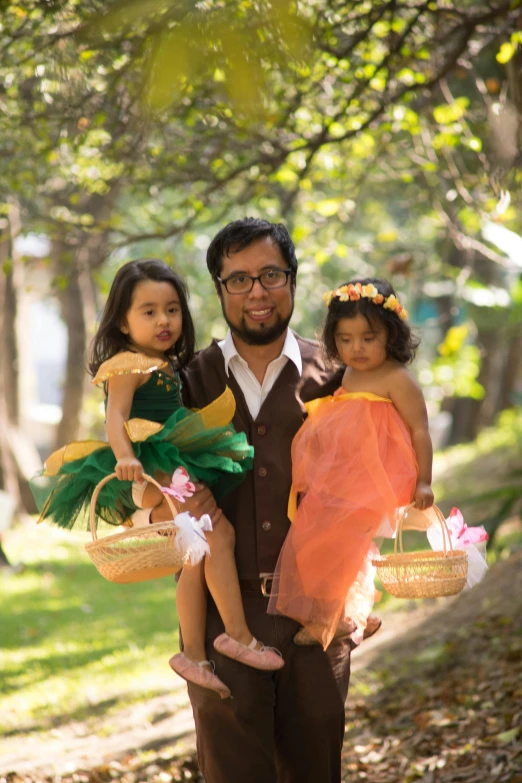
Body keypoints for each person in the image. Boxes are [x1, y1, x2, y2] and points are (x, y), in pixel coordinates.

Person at [32, 259, 284, 699]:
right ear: (123, 322)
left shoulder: (165, 363)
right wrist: (127, 458)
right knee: (215, 536)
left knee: (200, 546)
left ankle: (195, 652)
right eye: (148, 311)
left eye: (171, 309)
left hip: (175, 458)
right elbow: (115, 417)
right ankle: (236, 637)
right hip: (153, 460)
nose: (163, 320)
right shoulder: (127, 364)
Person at [180, 218, 357, 783]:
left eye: (270, 275)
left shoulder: (336, 376)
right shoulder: (188, 382)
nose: (256, 292)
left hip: (317, 616)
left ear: (293, 281)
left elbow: (369, 483)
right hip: (224, 620)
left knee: (314, 770)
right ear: (219, 289)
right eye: (239, 280)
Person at [267, 278, 433, 650]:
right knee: (318, 537)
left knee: (342, 541)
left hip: (377, 476)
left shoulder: (397, 378)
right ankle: (354, 611)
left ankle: (334, 618)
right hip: (343, 474)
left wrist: (424, 480)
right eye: (345, 339)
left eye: (367, 338)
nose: (355, 348)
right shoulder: (351, 373)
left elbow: (420, 431)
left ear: (391, 335)